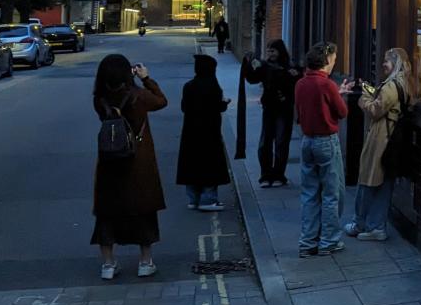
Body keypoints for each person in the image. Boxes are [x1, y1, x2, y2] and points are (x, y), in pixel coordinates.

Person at [91, 54, 168, 280]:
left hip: (109, 160)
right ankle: (145, 262)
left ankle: (108, 264)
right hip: (138, 160)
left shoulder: (100, 99)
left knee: (107, 212)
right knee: (143, 209)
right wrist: (146, 78)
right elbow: (161, 101)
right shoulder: (139, 96)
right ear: (128, 72)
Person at [345, 48, 414, 242]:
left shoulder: (392, 85)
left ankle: (361, 223)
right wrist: (370, 89)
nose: (383, 64)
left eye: (386, 61)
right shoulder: (403, 82)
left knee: (368, 181)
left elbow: (376, 109)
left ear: (395, 63)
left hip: (381, 137)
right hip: (391, 140)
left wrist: (363, 98)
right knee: (384, 184)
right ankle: (376, 226)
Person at [295, 42, 353, 257]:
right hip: (326, 142)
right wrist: (339, 95)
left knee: (310, 194)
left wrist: (336, 92)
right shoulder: (326, 85)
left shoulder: (301, 83)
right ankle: (329, 241)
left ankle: (307, 242)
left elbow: (305, 109)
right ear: (326, 59)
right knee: (331, 194)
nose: (334, 63)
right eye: (334, 59)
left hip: (307, 141)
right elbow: (342, 111)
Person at [239, 40, 299, 187]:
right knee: (265, 142)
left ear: (280, 51)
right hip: (269, 108)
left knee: (281, 141)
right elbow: (253, 79)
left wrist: (294, 76)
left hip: (284, 109)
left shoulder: (290, 67)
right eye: (268, 51)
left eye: (273, 51)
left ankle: (278, 175)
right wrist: (247, 65)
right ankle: (265, 175)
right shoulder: (265, 67)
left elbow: (297, 84)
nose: (270, 54)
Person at [176, 55, 231, 212]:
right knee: (210, 164)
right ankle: (208, 199)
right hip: (209, 131)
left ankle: (193, 199)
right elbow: (217, 107)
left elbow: (184, 108)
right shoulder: (213, 86)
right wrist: (224, 103)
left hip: (190, 132)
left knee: (191, 163)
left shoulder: (189, 86)